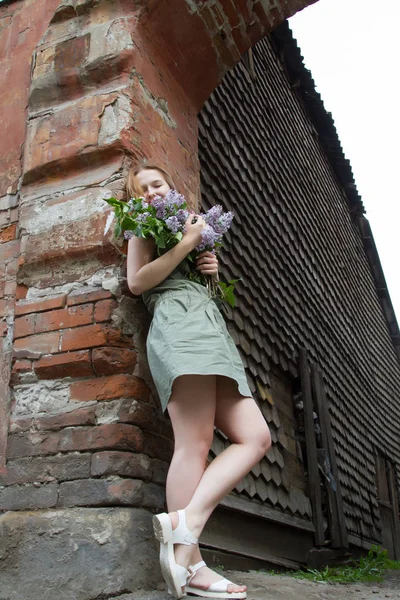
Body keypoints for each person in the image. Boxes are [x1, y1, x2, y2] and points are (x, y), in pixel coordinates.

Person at [126, 160, 271, 599]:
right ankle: (193, 561)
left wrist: (208, 271)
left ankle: (184, 529)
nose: (151, 192)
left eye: (157, 183)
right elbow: (136, 282)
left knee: (256, 437)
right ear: (135, 199)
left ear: (171, 187)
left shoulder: (188, 229)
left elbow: (194, 282)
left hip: (209, 331)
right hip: (179, 328)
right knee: (195, 443)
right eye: (142, 189)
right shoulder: (143, 225)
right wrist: (185, 243)